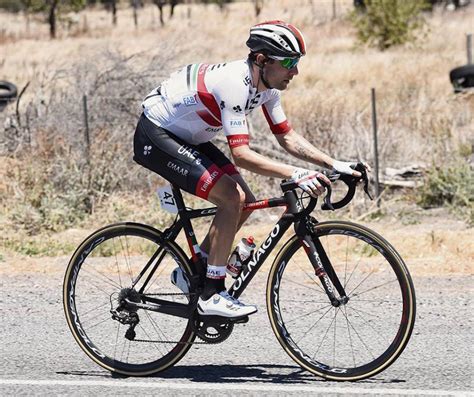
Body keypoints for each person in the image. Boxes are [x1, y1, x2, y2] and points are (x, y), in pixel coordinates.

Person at [133, 20, 366, 319]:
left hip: (189, 136)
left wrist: (335, 164)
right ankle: (211, 294)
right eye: (290, 62)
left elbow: (287, 137)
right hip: (157, 134)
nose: (295, 71)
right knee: (231, 198)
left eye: (297, 62)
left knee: (245, 200)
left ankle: (191, 272)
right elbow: (241, 155)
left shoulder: (268, 88)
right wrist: (295, 174)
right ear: (261, 60)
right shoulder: (235, 84)